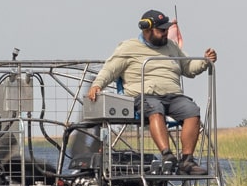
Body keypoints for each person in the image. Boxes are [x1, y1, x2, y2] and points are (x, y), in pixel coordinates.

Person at [85, 9, 219, 175]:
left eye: (166, 30)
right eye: (161, 30)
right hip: (144, 96)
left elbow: (189, 68)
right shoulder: (128, 47)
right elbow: (109, 70)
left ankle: (187, 161)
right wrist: (97, 85)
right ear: (147, 29)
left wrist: (205, 61)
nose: (165, 33)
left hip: (173, 96)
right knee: (155, 108)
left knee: (192, 110)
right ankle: (167, 156)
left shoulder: (172, 46)